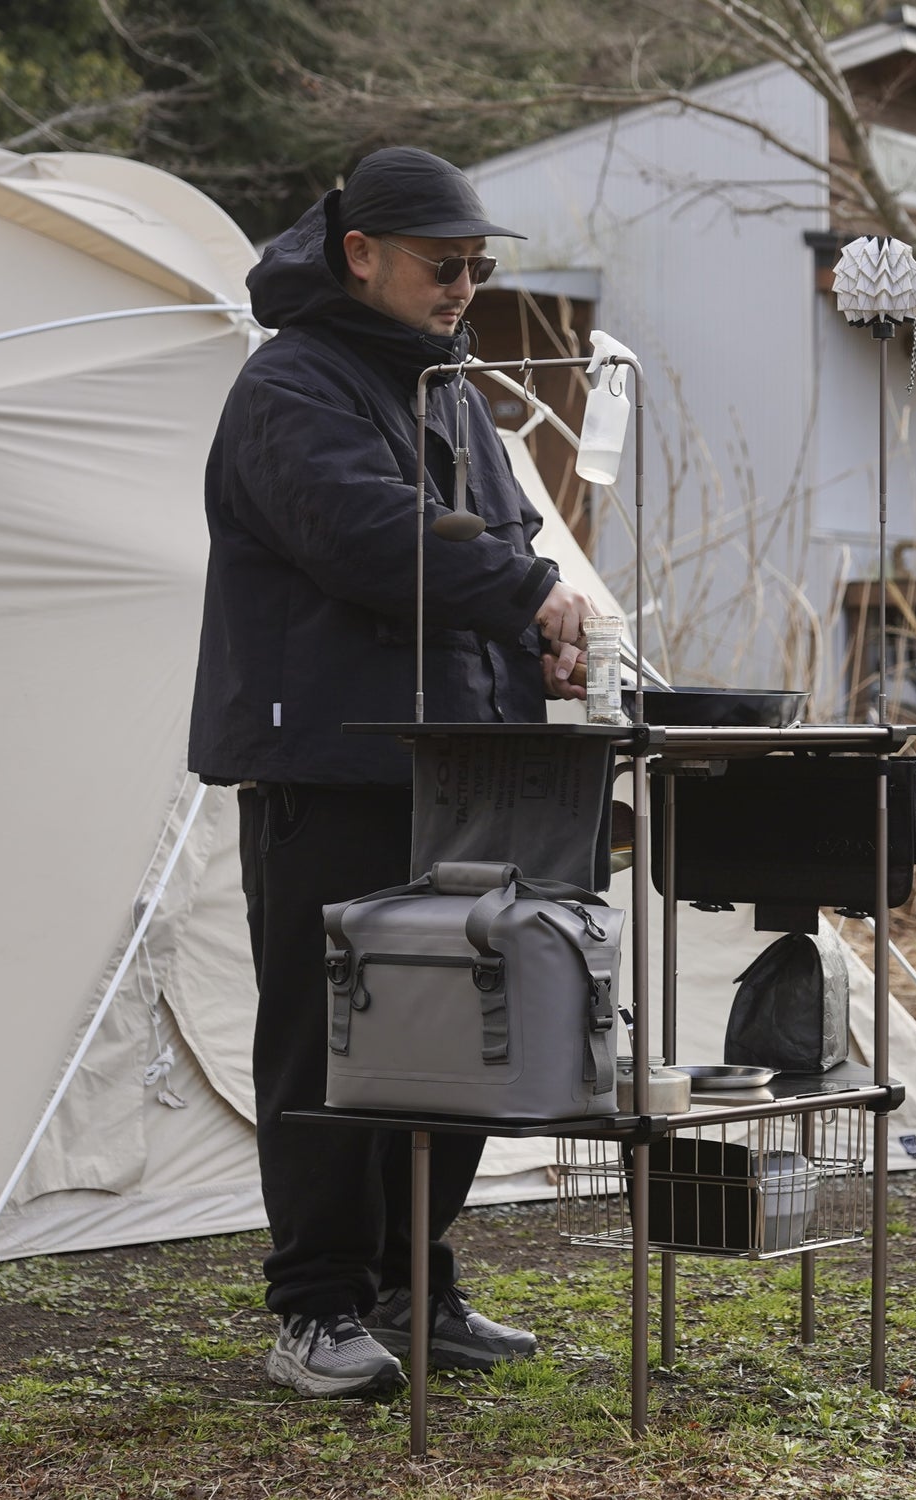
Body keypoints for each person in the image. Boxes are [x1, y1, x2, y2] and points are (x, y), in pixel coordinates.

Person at [188, 146, 596, 1399]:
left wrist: (543, 650)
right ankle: (315, 1311)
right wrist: (529, 594)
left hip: (465, 770)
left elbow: (505, 548)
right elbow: (370, 540)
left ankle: (417, 1286)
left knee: (464, 1028)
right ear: (359, 253)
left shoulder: (452, 390)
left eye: (478, 267)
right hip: (331, 767)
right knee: (326, 1040)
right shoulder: (288, 386)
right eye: (443, 264)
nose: (465, 285)